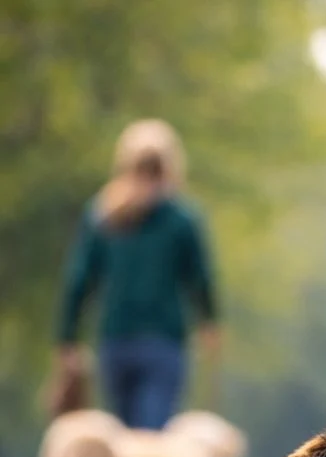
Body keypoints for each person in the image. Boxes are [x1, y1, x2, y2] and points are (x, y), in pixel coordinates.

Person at [54, 119, 219, 430]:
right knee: (152, 436)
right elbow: (199, 277)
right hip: (163, 340)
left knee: (125, 436)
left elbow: (80, 278)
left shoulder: (103, 214)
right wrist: (209, 321)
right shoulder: (181, 218)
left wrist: (67, 336)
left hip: (116, 340)